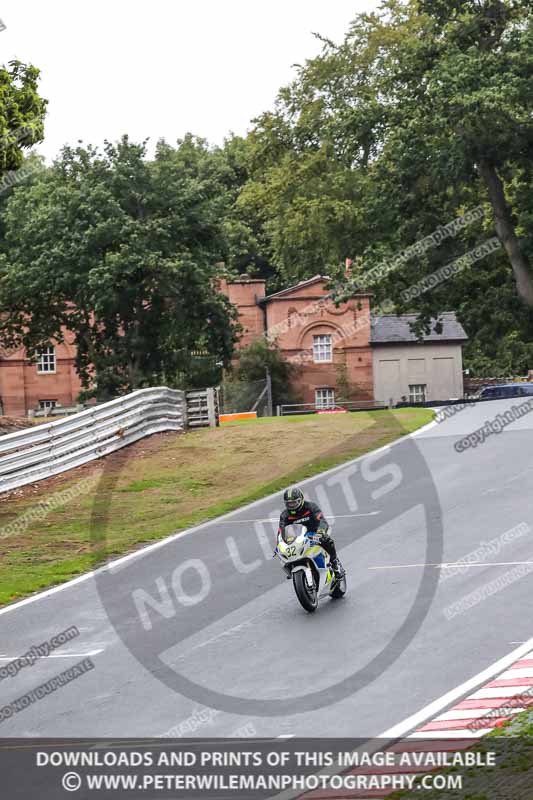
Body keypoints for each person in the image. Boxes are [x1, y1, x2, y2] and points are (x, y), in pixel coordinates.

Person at [278, 487, 345, 579]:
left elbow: (321, 520)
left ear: (301, 500)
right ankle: (293, 571)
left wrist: (321, 531)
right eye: (289, 504)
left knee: (327, 540)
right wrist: (280, 542)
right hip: (298, 538)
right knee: (282, 553)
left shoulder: (311, 507)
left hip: (314, 533)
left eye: (294, 503)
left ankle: (335, 563)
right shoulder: (284, 515)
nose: (292, 506)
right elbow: (282, 530)